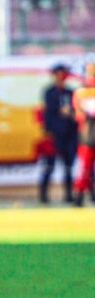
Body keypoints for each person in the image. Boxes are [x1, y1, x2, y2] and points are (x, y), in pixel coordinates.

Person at [39, 64, 78, 204]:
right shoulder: (49, 92)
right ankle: (43, 195)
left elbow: (76, 111)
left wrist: (72, 114)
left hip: (69, 134)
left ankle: (68, 194)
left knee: (68, 166)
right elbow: (48, 113)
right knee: (49, 165)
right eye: (59, 74)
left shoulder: (71, 93)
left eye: (63, 75)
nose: (61, 77)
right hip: (55, 134)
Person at [72, 63, 95, 207]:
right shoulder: (81, 92)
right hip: (88, 135)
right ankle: (80, 196)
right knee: (85, 168)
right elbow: (79, 114)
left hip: (87, 134)